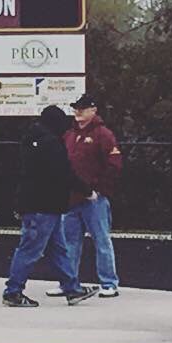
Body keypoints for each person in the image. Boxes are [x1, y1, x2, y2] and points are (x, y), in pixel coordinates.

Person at [2, 104, 99, 307]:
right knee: (30, 249)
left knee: (58, 249)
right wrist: (86, 190)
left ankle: (72, 288)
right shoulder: (52, 144)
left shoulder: (31, 140)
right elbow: (64, 173)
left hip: (39, 204)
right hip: (45, 205)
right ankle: (13, 291)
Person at [48, 93, 123, 298]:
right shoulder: (69, 135)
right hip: (72, 198)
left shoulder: (103, 134)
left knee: (101, 240)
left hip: (94, 199)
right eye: (75, 108)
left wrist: (98, 189)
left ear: (93, 110)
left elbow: (114, 165)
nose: (78, 112)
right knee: (69, 242)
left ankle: (109, 283)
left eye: (82, 108)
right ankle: (69, 282)